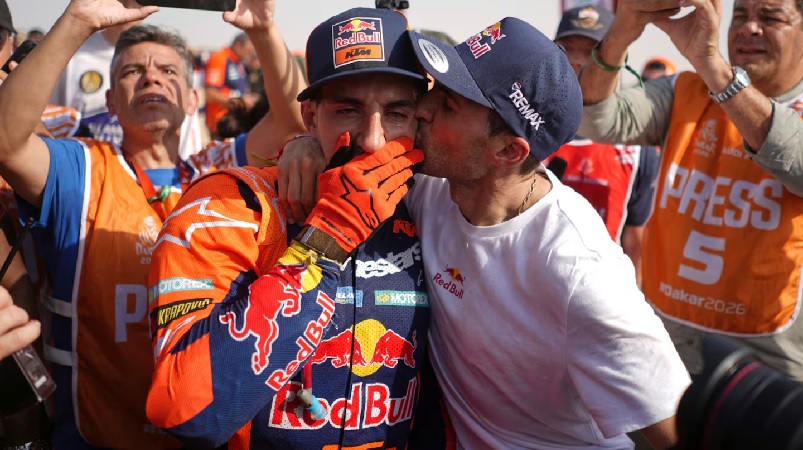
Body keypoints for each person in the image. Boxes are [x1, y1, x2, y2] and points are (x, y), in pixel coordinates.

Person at [279, 16, 691, 450]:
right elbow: (341, 138)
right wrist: (303, 146)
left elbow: (677, 429)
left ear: (508, 151)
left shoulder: (581, 273)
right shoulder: (431, 182)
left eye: (450, 105)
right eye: (435, 88)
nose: (422, 108)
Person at [0, 0, 307, 447]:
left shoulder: (219, 173)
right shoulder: (81, 169)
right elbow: (6, 142)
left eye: (168, 71)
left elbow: (294, 122)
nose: (150, 77)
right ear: (110, 101)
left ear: (193, 99)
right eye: (132, 71)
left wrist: (264, 30)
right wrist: (79, 19)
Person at [145, 7, 437, 449]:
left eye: (397, 113)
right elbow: (182, 409)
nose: (373, 139)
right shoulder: (228, 206)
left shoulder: (434, 204)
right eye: (348, 110)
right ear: (310, 117)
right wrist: (324, 242)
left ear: (420, 120)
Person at [577, 0, 803, 380]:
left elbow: (795, 161)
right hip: (668, 352)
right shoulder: (685, 91)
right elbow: (592, 120)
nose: (749, 28)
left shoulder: (717, 80)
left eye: (770, 17)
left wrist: (715, 69)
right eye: (741, 16)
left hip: (768, 367)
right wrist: (624, 29)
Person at [549, 5, 661, 287]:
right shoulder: (521, 128)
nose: (577, 60)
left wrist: (634, 300)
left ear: (618, 59)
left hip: (600, 291)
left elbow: (635, 239)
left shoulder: (638, 147)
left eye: (591, 51)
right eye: (567, 48)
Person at [204, 32, 259, 137]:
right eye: (248, 51)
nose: (249, 55)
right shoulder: (220, 58)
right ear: (238, 46)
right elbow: (210, 94)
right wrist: (240, 101)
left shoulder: (239, 63)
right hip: (221, 124)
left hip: (236, 123)